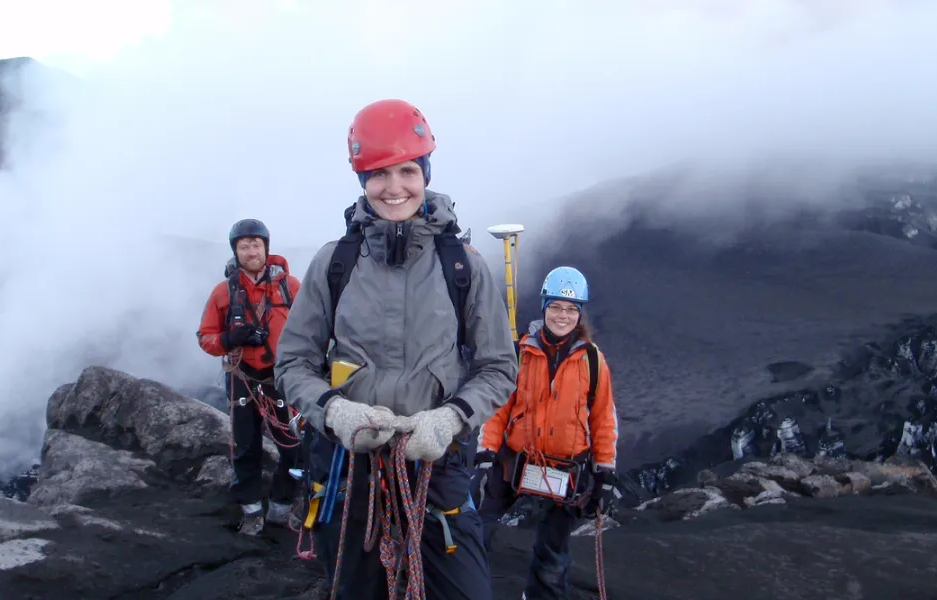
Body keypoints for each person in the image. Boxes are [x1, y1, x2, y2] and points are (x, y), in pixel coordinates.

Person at [275, 98, 518, 600]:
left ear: (425, 173)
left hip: (438, 465)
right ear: (361, 179)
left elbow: (498, 366)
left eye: (408, 170)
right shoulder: (334, 263)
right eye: (378, 173)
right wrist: (333, 411)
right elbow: (293, 362)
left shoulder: (462, 266)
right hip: (352, 468)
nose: (394, 188)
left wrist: (450, 419)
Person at [476, 266, 621, 600]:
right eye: (556, 306)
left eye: (571, 309)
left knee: (552, 553)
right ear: (544, 307)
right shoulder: (521, 353)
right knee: (476, 529)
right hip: (514, 460)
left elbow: (603, 420)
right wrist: (486, 456)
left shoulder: (593, 362)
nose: (563, 315)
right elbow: (499, 408)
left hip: (566, 468)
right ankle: (464, 589)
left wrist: (605, 474)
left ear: (580, 313)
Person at [197, 218, 302, 536]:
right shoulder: (223, 293)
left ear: (266, 248)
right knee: (246, 447)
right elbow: (205, 337)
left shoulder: (290, 286)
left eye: (256, 244)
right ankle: (252, 512)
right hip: (242, 377)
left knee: (294, 446)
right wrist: (230, 339)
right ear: (236, 251)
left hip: (282, 377)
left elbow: (313, 327)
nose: (251, 250)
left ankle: (282, 508)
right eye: (244, 246)